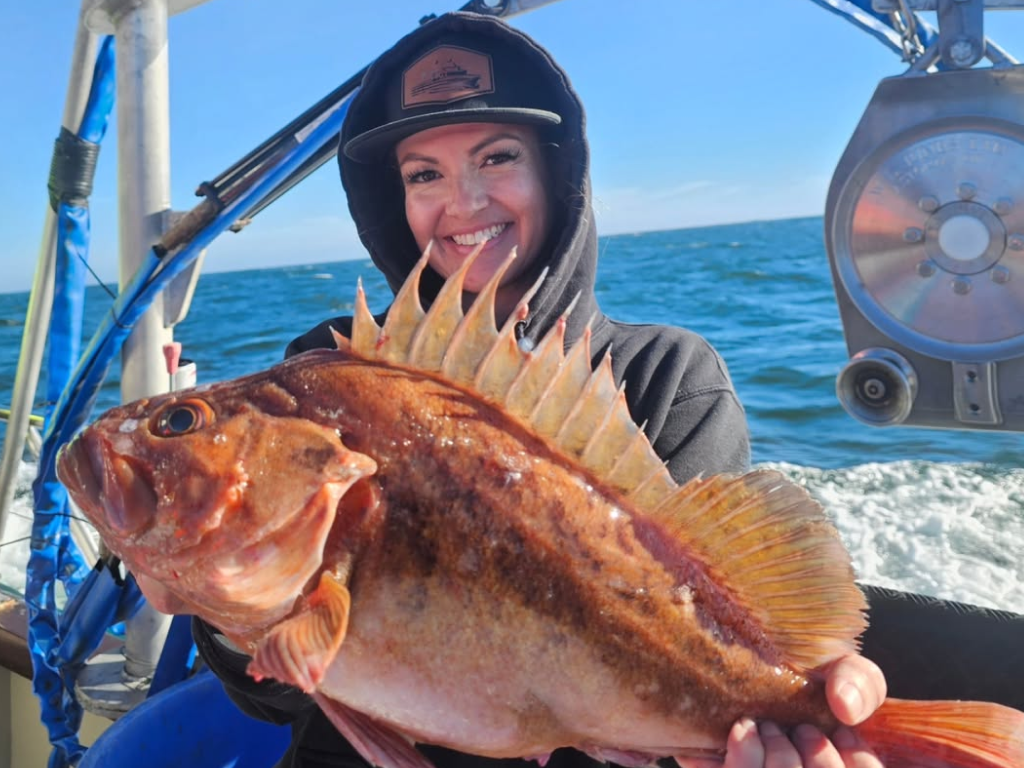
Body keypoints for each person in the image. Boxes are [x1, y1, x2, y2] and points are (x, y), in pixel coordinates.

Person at [194, 10, 901, 768]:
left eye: (497, 159)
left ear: (558, 176)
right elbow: (271, 698)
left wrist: (779, 717)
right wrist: (214, 599)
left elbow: (721, 636)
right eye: (423, 174)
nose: (461, 203)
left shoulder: (668, 377)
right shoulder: (330, 371)